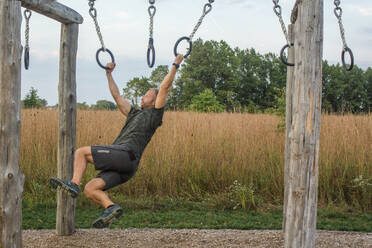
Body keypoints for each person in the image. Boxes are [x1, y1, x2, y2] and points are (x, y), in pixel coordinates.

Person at [50, 54, 184, 228]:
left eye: (147, 95)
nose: (143, 97)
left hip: (126, 155)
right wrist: (108, 74)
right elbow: (117, 97)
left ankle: (73, 184)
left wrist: (175, 64)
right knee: (91, 189)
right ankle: (111, 207)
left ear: (154, 101)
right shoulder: (134, 113)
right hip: (127, 168)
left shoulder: (154, 115)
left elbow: (165, 87)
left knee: (81, 152)